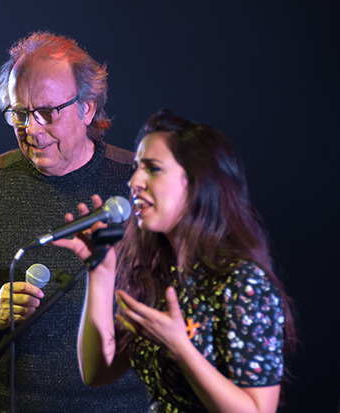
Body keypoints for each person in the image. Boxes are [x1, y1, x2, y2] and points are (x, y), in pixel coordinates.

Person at [0, 31, 148, 412]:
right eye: (19, 113)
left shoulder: (139, 183)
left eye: (48, 112)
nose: (32, 129)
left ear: (87, 108)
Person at [54, 109, 297, 412]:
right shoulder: (162, 274)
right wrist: (100, 273)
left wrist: (182, 349)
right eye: (137, 168)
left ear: (197, 183)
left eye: (153, 169)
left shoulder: (242, 282)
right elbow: (97, 371)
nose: (136, 182)